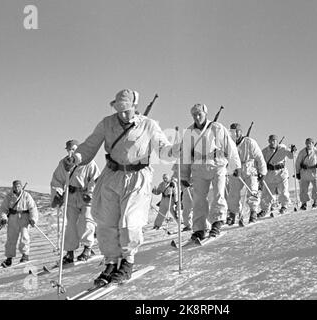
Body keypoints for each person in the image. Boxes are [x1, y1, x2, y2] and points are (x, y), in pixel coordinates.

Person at [63, 89, 172, 285]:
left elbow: (163, 148)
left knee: (130, 221)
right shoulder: (107, 123)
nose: (122, 114)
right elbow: (89, 145)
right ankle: (111, 262)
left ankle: (128, 262)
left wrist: (173, 150)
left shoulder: (148, 125)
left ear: (135, 107)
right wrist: (76, 158)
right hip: (112, 176)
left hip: (138, 177)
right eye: (119, 109)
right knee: (106, 221)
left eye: (126, 110)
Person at [174, 103, 241, 241]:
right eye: (194, 115)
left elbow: (231, 147)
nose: (197, 117)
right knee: (198, 199)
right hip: (198, 168)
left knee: (218, 193)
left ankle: (217, 222)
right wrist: (184, 175)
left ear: (205, 114)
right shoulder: (189, 132)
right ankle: (199, 229)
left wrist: (235, 166)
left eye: (200, 114)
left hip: (217, 165)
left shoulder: (217, 128)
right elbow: (185, 155)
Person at [51, 139, 100, 264]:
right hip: (71, 196)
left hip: (85, 196)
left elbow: (95, 179)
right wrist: (58, 193)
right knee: (70, 225)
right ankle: (70, 251)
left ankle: (87, 248)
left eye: (73, 149)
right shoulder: (63, 163)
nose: (70, 152)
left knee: (86, 220)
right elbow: (57, 180)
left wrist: (90, 193)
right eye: (69, 149)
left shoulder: (88, 161)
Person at [226, 123, 267, 225]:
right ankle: (232, 213)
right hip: (235, 170)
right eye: (232, 132)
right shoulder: (228, 144)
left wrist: (262, 172)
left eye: (237, 131)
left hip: (249, 169)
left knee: (252, 190)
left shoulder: (250, 142)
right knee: (233, 193)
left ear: (241, 132)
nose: (235, 134)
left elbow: (259, 157)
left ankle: (253, 212)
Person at [0, 180, 38, 267]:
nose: (17, 188)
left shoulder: (26, 195)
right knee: (11, 238)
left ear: (21, 186)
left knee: (24, 236)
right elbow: (3, 209)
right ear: (13, 187)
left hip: (24, 218)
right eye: (15, 186)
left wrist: (33, 219)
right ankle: (9, 258)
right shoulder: (9, 197)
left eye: (18, 186)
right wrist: (4, 218)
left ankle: (25, 255)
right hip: (12, 218)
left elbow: (33, 208)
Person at [259, 135, 295, 217]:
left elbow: (291, 156)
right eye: (271, 140)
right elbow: (260, 162)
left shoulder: (283, 148)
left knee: (283, 191)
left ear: (277, 141)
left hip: (281, 173)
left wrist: (293, 151)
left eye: (274, 140)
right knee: (266, 193)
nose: (272, 142)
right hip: (269, 174)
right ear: (268, 141)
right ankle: (264, 209)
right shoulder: (264, 151)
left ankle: (284, 206)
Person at [295, 138, 317, 210]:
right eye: (307, 143)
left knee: (316, 188)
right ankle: (304, 203)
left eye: (310, 143)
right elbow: (298, 162)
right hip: (304, 173)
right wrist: (297, 172)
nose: (308, 145)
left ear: (313, 144)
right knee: (303, 189)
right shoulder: (302, 152)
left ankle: (316, 201)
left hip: (314, 172)